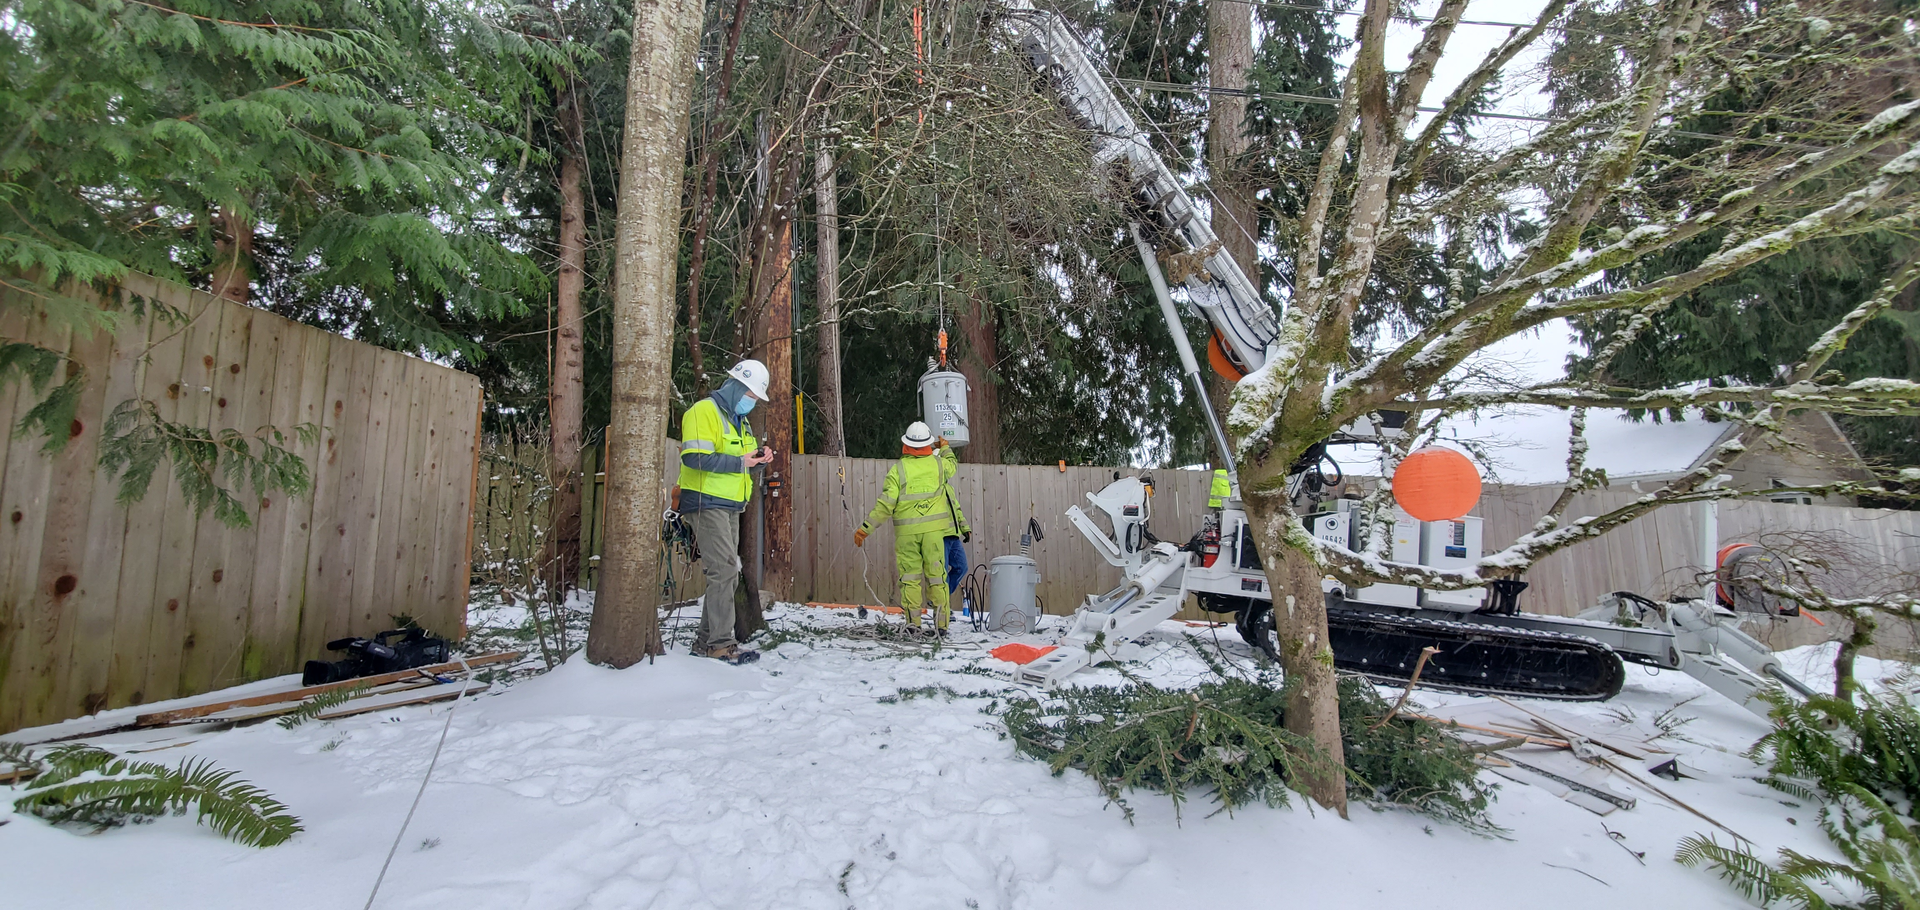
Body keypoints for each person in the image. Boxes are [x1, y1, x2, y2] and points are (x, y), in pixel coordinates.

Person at [678, 359, 774, 664]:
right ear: (737, 387)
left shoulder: (739, 421)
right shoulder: (703, 412)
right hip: (706, 503)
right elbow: (694, 458)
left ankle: (705, 642)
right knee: (724, 572)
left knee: (727, 574)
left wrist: (758, 460)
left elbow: (741, 459)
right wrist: (741, 462)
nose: (753, 403)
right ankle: (721, 644)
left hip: (730, 506)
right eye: (752, 396)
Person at [854, 422, 971, 634]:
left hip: (907, 535)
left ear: (906, 445)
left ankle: (913, 625)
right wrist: (945, 447)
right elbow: (952, 464)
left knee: (910, 579)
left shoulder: (898, 470)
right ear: (928, 444)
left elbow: (885, 504)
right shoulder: (938, 465)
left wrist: (865, 529)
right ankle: (941, 627)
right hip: (934, 534)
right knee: (937, 578)